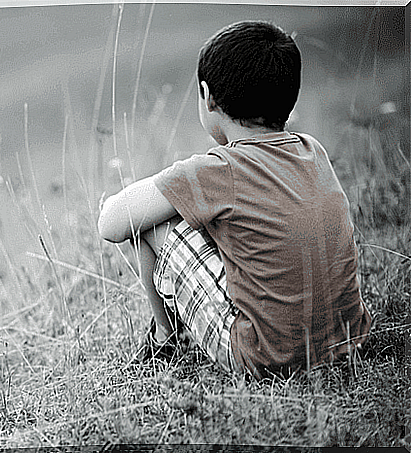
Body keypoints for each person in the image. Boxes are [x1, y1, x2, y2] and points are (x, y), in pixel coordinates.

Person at [97, 20, 372, 379]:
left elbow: (112, 225)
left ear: (208, 96)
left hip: (265, 358)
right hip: (349, 339)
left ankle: (166, 339)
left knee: (156, 223)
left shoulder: (218, 169)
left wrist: (112, 203)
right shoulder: (311, 150)